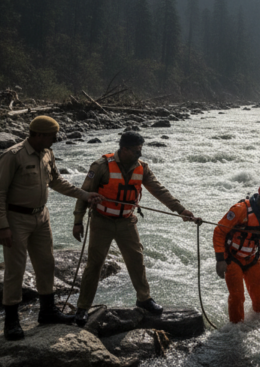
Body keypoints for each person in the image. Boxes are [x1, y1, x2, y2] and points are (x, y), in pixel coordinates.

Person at [0, 115, 102, 340]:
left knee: (46, 263)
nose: (56, 139)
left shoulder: (47, 153)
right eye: (53, 135)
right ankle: (11, 322)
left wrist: (84, 195)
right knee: (15, 270)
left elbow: (56, 180)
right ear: (39, 135)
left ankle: (47, 312)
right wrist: (3, 226)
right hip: (16, 219)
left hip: (41, 217)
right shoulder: (13, 156)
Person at [72, 131, 199, 326]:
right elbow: (84, 193)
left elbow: (159, 190)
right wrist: (78, 221)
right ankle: (82, 307)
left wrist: (180, 210)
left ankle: (144, 298)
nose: (139, 154)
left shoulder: (142, 168)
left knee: (136, 260)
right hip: (101, 220)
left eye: (141, 149)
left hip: (126, 221)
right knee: (95, 264)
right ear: (124, 149)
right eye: (136, 150)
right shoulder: (101, 166)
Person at [213, 178, 260, 323]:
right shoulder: (240, 210)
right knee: (237, 296)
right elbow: (219, 232)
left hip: (252, 258)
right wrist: (220, 259)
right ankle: (236, 329)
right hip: (232, 258)